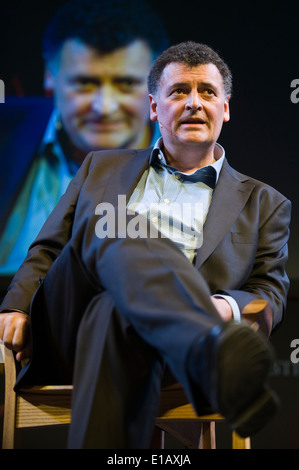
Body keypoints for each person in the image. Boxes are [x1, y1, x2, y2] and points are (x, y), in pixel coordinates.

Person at [0, 41, 291, 449]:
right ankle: (208, 347)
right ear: (154, 108)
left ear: (225, 108)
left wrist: (222, 307)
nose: (194, 103)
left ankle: (196, 338)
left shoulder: (266, 203)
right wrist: (15, 304)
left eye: (207, 92)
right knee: (117, 224)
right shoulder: (100, 167)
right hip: (71, 328)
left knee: (113, 311)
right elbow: (48, 248)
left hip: (157, 347)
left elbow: (269, 291)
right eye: (178, 92)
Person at [0, 0, 169, 297]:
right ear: (49, 77)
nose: (104, 107)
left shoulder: (208, 170)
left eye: (126, 84)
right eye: (84, 83)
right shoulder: (5, 131)